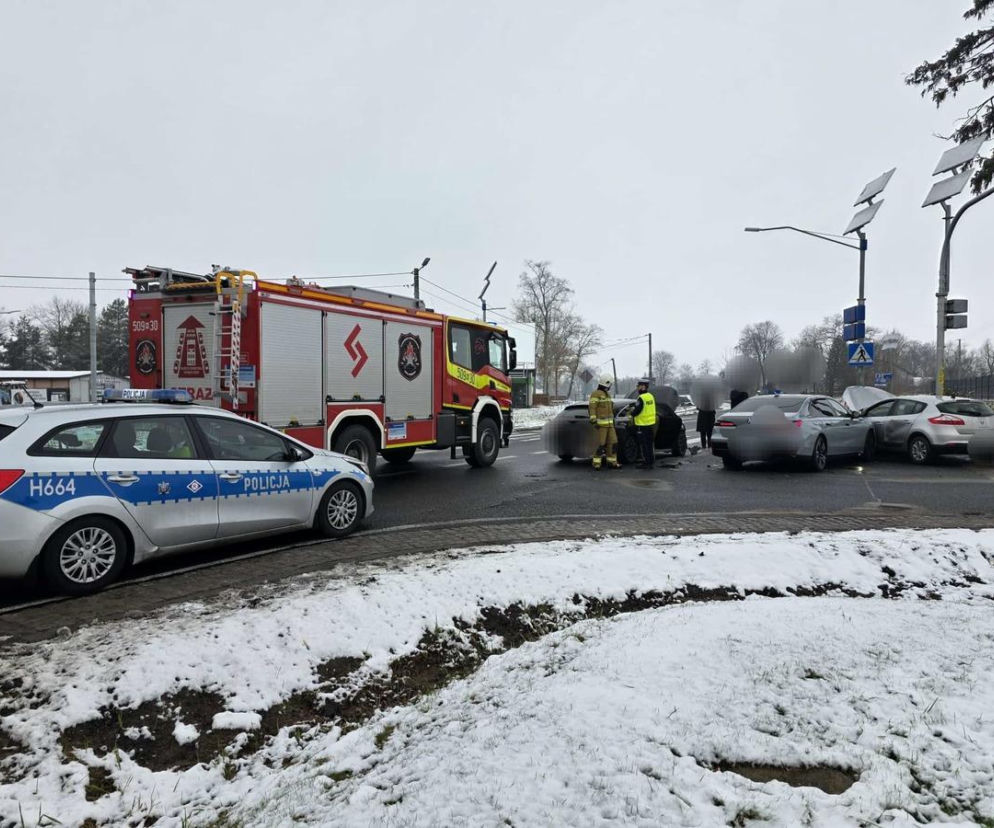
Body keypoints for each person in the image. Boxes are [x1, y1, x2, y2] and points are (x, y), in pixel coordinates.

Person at [588, 376, 620, 469]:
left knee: (613, 443)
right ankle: (596, 463)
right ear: (606, 383)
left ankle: (612, 462)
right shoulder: (595, 394)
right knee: (600, 444)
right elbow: (592, 408)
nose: (611, 386)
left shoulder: (607, 395)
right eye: (610, 384)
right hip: (601, 425)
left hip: (610, 425)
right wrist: (594, 421)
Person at [629, 378, 656, 468]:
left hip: (642, 424)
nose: (637, 388)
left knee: (644, 445)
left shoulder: (641, 398)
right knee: (649, 444)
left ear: (643, 387)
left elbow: (637, 410)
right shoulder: (650, 396)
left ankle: (647, 463)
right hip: (650, 424)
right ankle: (650, 461)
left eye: (639, 386)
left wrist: (631, 413)